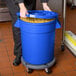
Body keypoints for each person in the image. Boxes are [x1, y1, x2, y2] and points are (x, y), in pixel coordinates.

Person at [6, 0, 51, 66]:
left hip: (29, 1)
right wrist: (21, 5)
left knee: (30, 22)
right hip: (14, 2)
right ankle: (19, 54)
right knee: (18, 25)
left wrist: (44, 4)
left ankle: (30, 51)